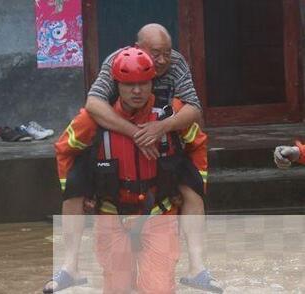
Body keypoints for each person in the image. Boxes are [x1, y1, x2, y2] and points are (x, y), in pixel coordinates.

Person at [43, 23, 222, 293]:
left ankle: (197, 267)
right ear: (117, 85)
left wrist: (189, 185)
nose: (136, 91)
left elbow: (195, 121)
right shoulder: (94, 117)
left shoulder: (172, 107)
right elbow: (68, 145)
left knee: (159, 288)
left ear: (154, 83)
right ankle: (70, 265)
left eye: (143, 83)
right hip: (112, 215)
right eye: (129, 85)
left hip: (158, 213)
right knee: (117, 288)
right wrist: (80, 191)